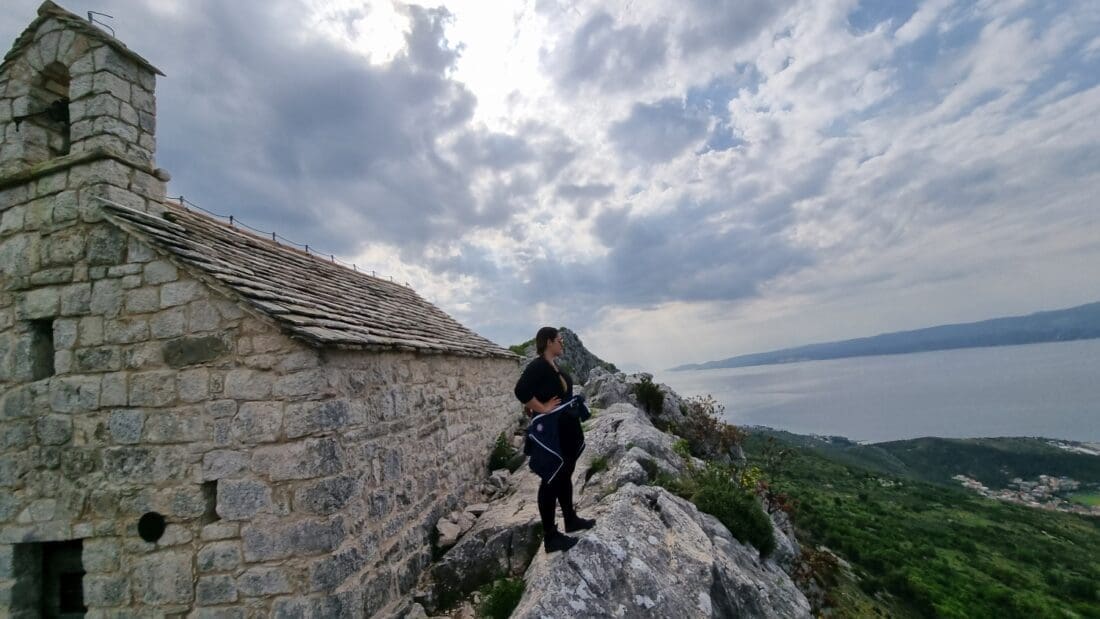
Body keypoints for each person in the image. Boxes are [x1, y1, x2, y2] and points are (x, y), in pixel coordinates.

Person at [514, 326, 595, 553]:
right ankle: (550, 536)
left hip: (565, 428)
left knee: (565, 473)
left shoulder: (553, 365)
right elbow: (521, 391)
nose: (562, 343)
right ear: (549, 342)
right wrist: (542, 408)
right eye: (560, 340)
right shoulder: (538, 365)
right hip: (553, 431)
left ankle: (570, 519)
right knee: (551, 479)